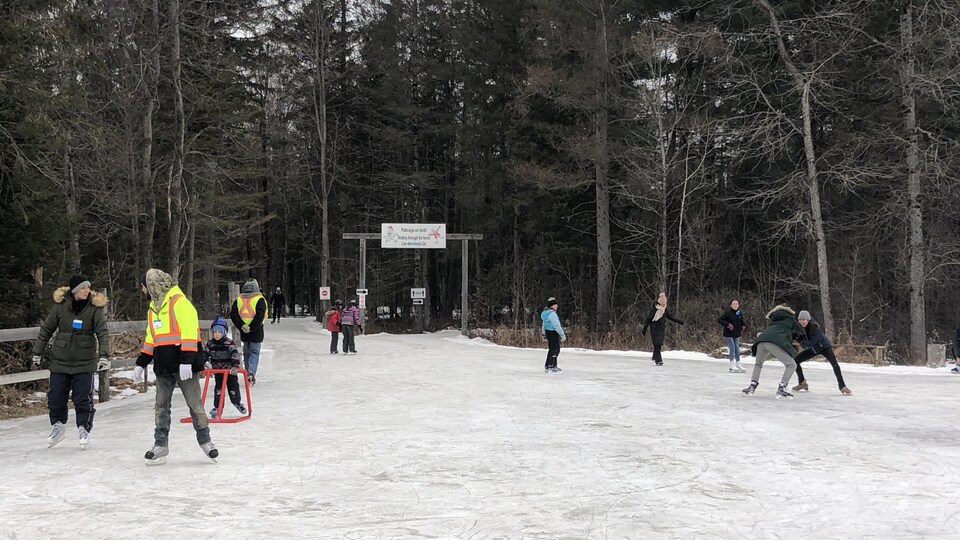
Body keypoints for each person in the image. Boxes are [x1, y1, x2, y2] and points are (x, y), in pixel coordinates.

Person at [133, 269, 218, 465]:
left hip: (184, 365)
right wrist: (141, 363)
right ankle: (160, 444)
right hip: (164, 366)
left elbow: (190, 332)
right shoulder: (153, 308)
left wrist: (187, 360)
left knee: (194, 404)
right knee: (161, 406)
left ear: (152, 285)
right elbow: (151, 338)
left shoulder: (180, 303)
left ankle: (206, 440)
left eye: (144, 286)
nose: (143, 290)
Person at [32, 274, 109, 450]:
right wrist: (37, 352)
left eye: (89, 287)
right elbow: (46, 330)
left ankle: (84, 428)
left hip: (84, 361)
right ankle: (58, 426)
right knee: (56, 397)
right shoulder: (60, 307)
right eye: (83, 288)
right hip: (60, 360)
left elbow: (103, 333)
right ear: (75, 290)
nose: (87, 291)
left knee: (83, 398)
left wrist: (104, 355)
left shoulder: (94, 308)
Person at [743, 304, 804, 399]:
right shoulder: (790, 318)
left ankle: (752, 385)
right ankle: (782, 387)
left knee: (758, 364)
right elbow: (801, 331)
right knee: (792, 365)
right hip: (774, 342)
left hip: (761, 341)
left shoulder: (775, 319)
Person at [793, 310, 852, 395]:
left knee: (835, 364)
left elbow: (809, 344)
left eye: (804, 320)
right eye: (800, 320)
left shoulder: (814, 328)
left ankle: (842, 386)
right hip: (814, 349)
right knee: (795, 361)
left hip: (824, 347)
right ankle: (802, 383)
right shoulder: (800, 328)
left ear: (808, 320)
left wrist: (799, 339)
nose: (802, 322)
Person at [204, 316, 247, 418]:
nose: (217, 334)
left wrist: (235, 366)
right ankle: (218, 407)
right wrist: (205, 363)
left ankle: (237, 402)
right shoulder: (210, 344)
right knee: (218, 390)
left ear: (224, 332)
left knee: (233, 388)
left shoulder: (229, 343)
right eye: (215, 332)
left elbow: (235, 354)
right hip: (218, 372)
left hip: (229, 372)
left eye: (219, 332)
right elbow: (204, 354)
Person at [230, 278, 268, 384]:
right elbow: (260, 315)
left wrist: (242, 326)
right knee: (254, 352)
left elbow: (233, 314)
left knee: (246, 353)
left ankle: (248, 372)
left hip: (244, 331)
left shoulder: (239, 299)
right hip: (256, 330)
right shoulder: (260, 299)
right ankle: (251, 373)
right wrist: (251, 327)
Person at [641, 292, 684, 366]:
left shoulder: (664, 310)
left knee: (659, 344)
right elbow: (648, 319)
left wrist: (678, 321)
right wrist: (645, 328)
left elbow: (670, 317)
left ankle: (655, 357)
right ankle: (658, 360)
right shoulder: (654, 309)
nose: (664, 304)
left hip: (661, 329)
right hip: (654, 329)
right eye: (663, 302)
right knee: (657, 344)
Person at [718, 299, 747, 373]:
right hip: (728, 333)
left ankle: (738, 363)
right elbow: (720, 320)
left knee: (737, 348)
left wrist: (743, 325)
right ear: (731, 305)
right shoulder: (728, 313)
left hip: (736, 333)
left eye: (736, 304)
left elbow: (742, 321)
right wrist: (728, 324)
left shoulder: (739, 313)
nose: (735, 305)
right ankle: (731, 364)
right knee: (732, 348)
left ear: (738, 305)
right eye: (733, 304)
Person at [540, 297, 566, 373]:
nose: (557, 306)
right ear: (552, 306)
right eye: (555, 305)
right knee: (555, 349)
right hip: (553, 333)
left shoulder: (545, 313)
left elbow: (544, 324)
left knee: (552, 349)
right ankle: (552, 365)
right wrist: (562, 335)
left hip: (548, 332)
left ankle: (548, 364)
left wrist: (544, 333)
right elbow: (557, 326)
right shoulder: (552, 314)